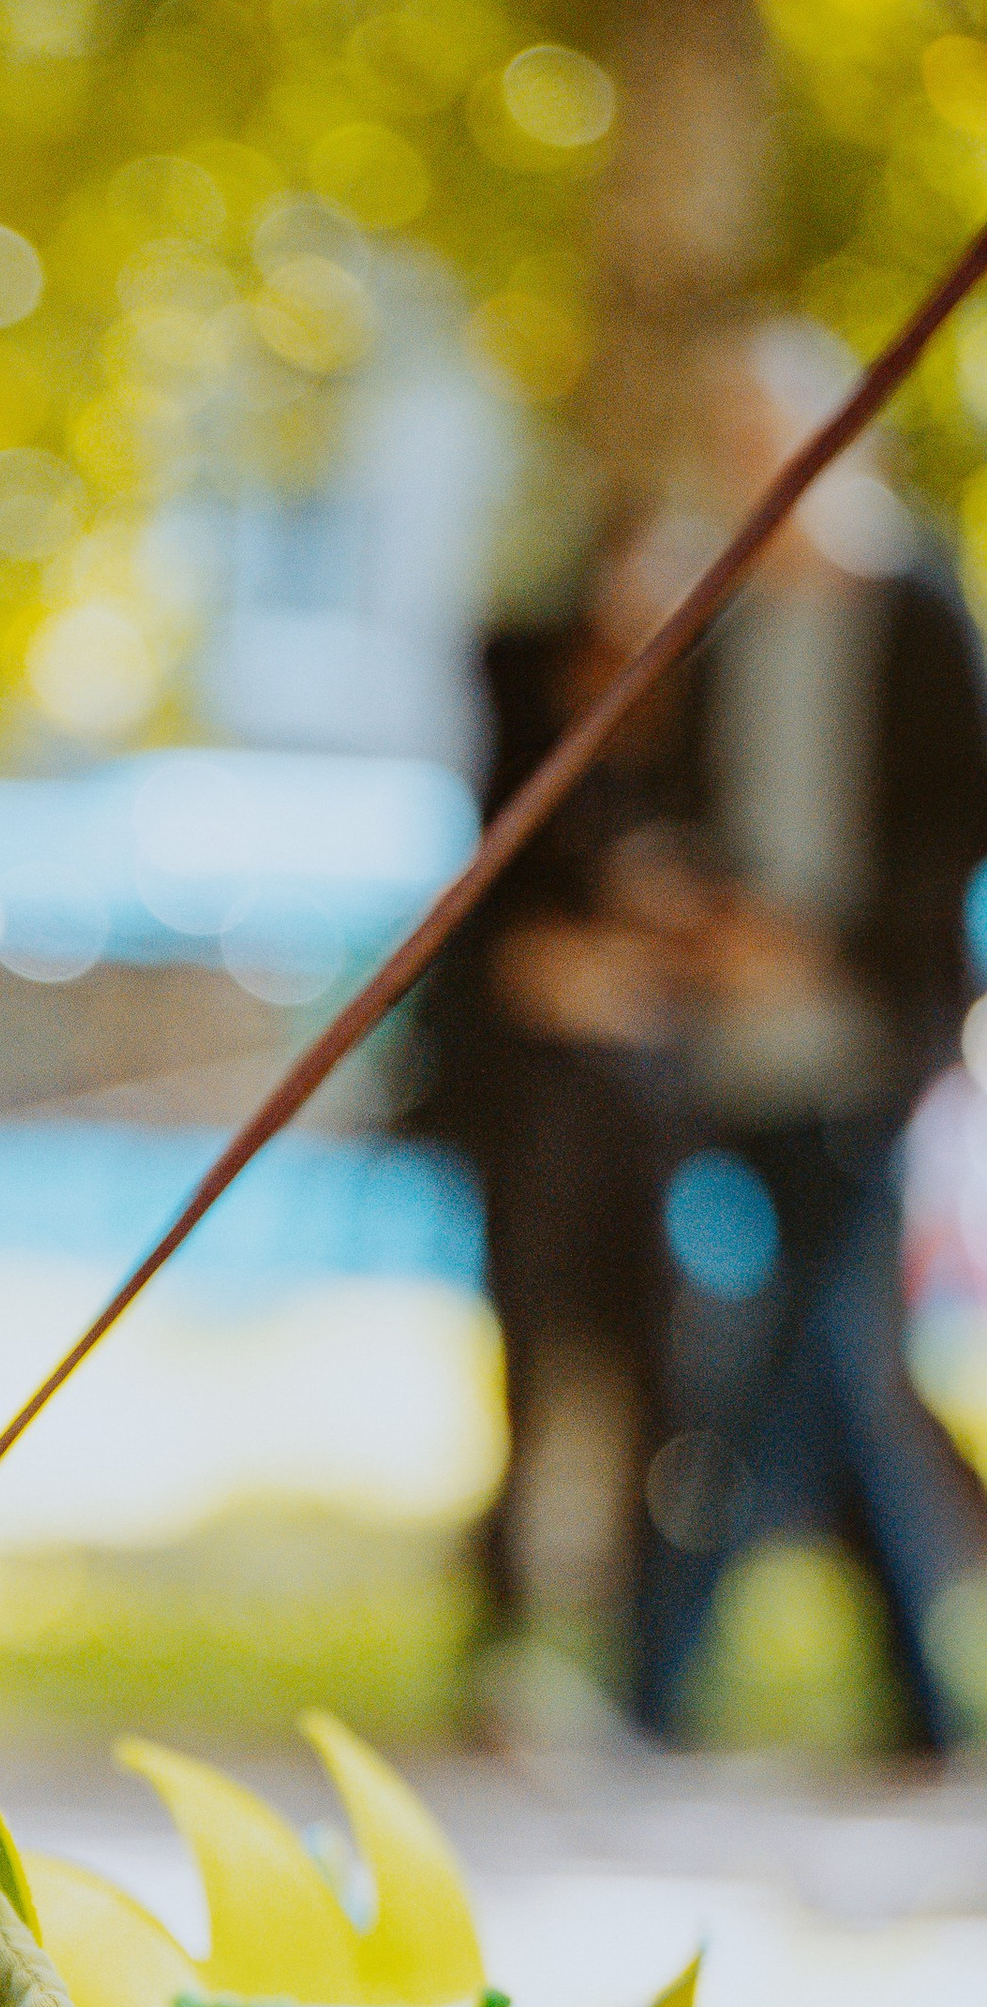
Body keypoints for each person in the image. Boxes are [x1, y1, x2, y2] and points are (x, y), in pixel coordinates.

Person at [630, 319, 987, 1753]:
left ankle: (651, 1681)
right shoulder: (727, 617)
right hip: (739, 1047)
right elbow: (690, 800)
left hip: (866, 1042)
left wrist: (828, 937)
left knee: (770, 1361)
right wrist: (694, 902)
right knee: (835, 1359)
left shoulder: (913, 610)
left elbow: (956, 818)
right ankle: (924, 1703)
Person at [428, 521, 698, 1738]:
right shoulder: (532, 743)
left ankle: (639, 1662)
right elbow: (503, 953)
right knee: (532, 1384)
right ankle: (506, 1649)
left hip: (648, 1123)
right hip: (536, 1117)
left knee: (657, 1386)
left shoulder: (694, 754)